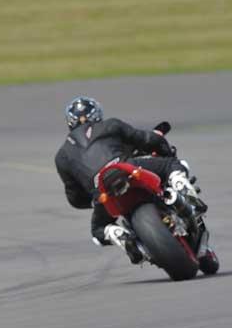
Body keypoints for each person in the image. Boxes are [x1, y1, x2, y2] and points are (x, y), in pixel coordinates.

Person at [54, 96, 205, 263]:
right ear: (97, 114)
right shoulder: (110, 124)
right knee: (171, 165)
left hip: (103, 190)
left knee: (98, 230)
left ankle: (118, 235)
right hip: (126, 167)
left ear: (70, 122)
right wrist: (165, 150)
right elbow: (147, 139)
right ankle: (181, 186)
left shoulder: (61, 157)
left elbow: (74, 197)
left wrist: (93, 199)